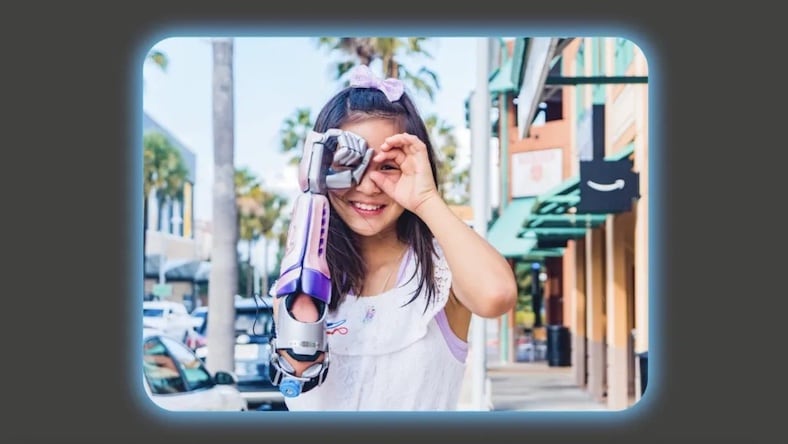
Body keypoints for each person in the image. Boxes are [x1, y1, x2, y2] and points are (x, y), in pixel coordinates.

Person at [269, 64, 517, 411]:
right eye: (346, 163)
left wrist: (426, 199)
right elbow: (299, 372)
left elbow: (497, 295)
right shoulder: (301, 282)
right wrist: (312, 201)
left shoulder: (438, 271)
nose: (369, 185)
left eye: (388, 166)